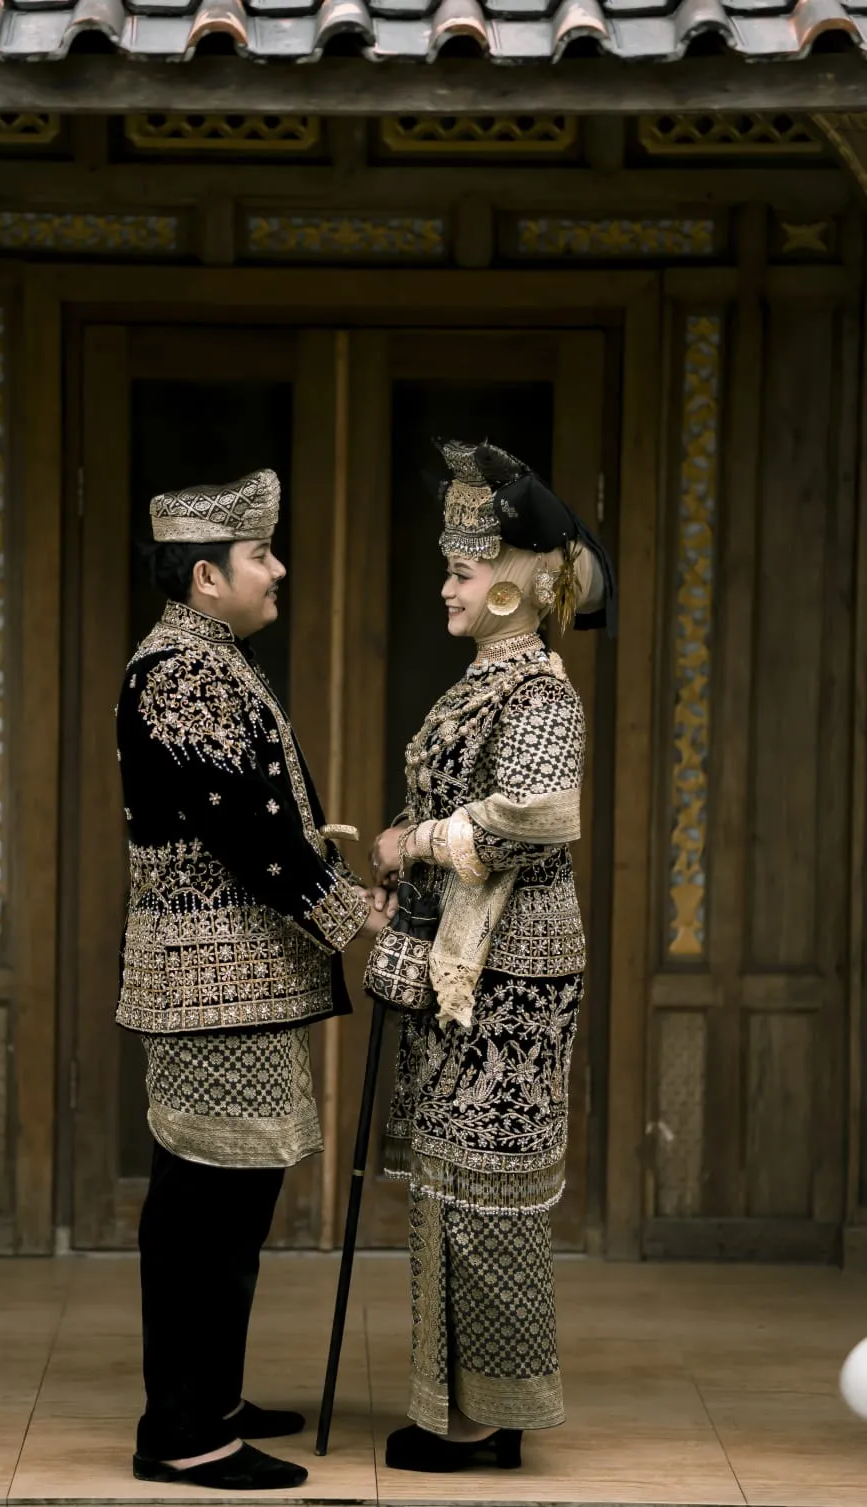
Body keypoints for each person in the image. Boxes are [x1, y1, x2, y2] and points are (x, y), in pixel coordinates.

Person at [116, 469, 389, 1491]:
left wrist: (335, 901)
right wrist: (347, 909)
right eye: (260, 554)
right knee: (203, 1206)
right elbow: (245, 830)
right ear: (205, 576)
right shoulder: (180, 671)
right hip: (206, 981)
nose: (278, 570)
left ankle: (213, 1400)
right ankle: (182, 1431)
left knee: (233, 1203)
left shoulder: (208, 656)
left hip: (238, 977)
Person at [367, 438, 614, 1474]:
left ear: (512, 587)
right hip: (468, 959)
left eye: (464, 572)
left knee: (490, 1188)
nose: (447, 587)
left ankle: (485, 1418)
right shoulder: (486, 681)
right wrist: (401, 863)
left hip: (516, 969)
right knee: (452, 1179)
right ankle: (461, 1406)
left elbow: (536, 817)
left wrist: (416, 842)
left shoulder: (539, 690)